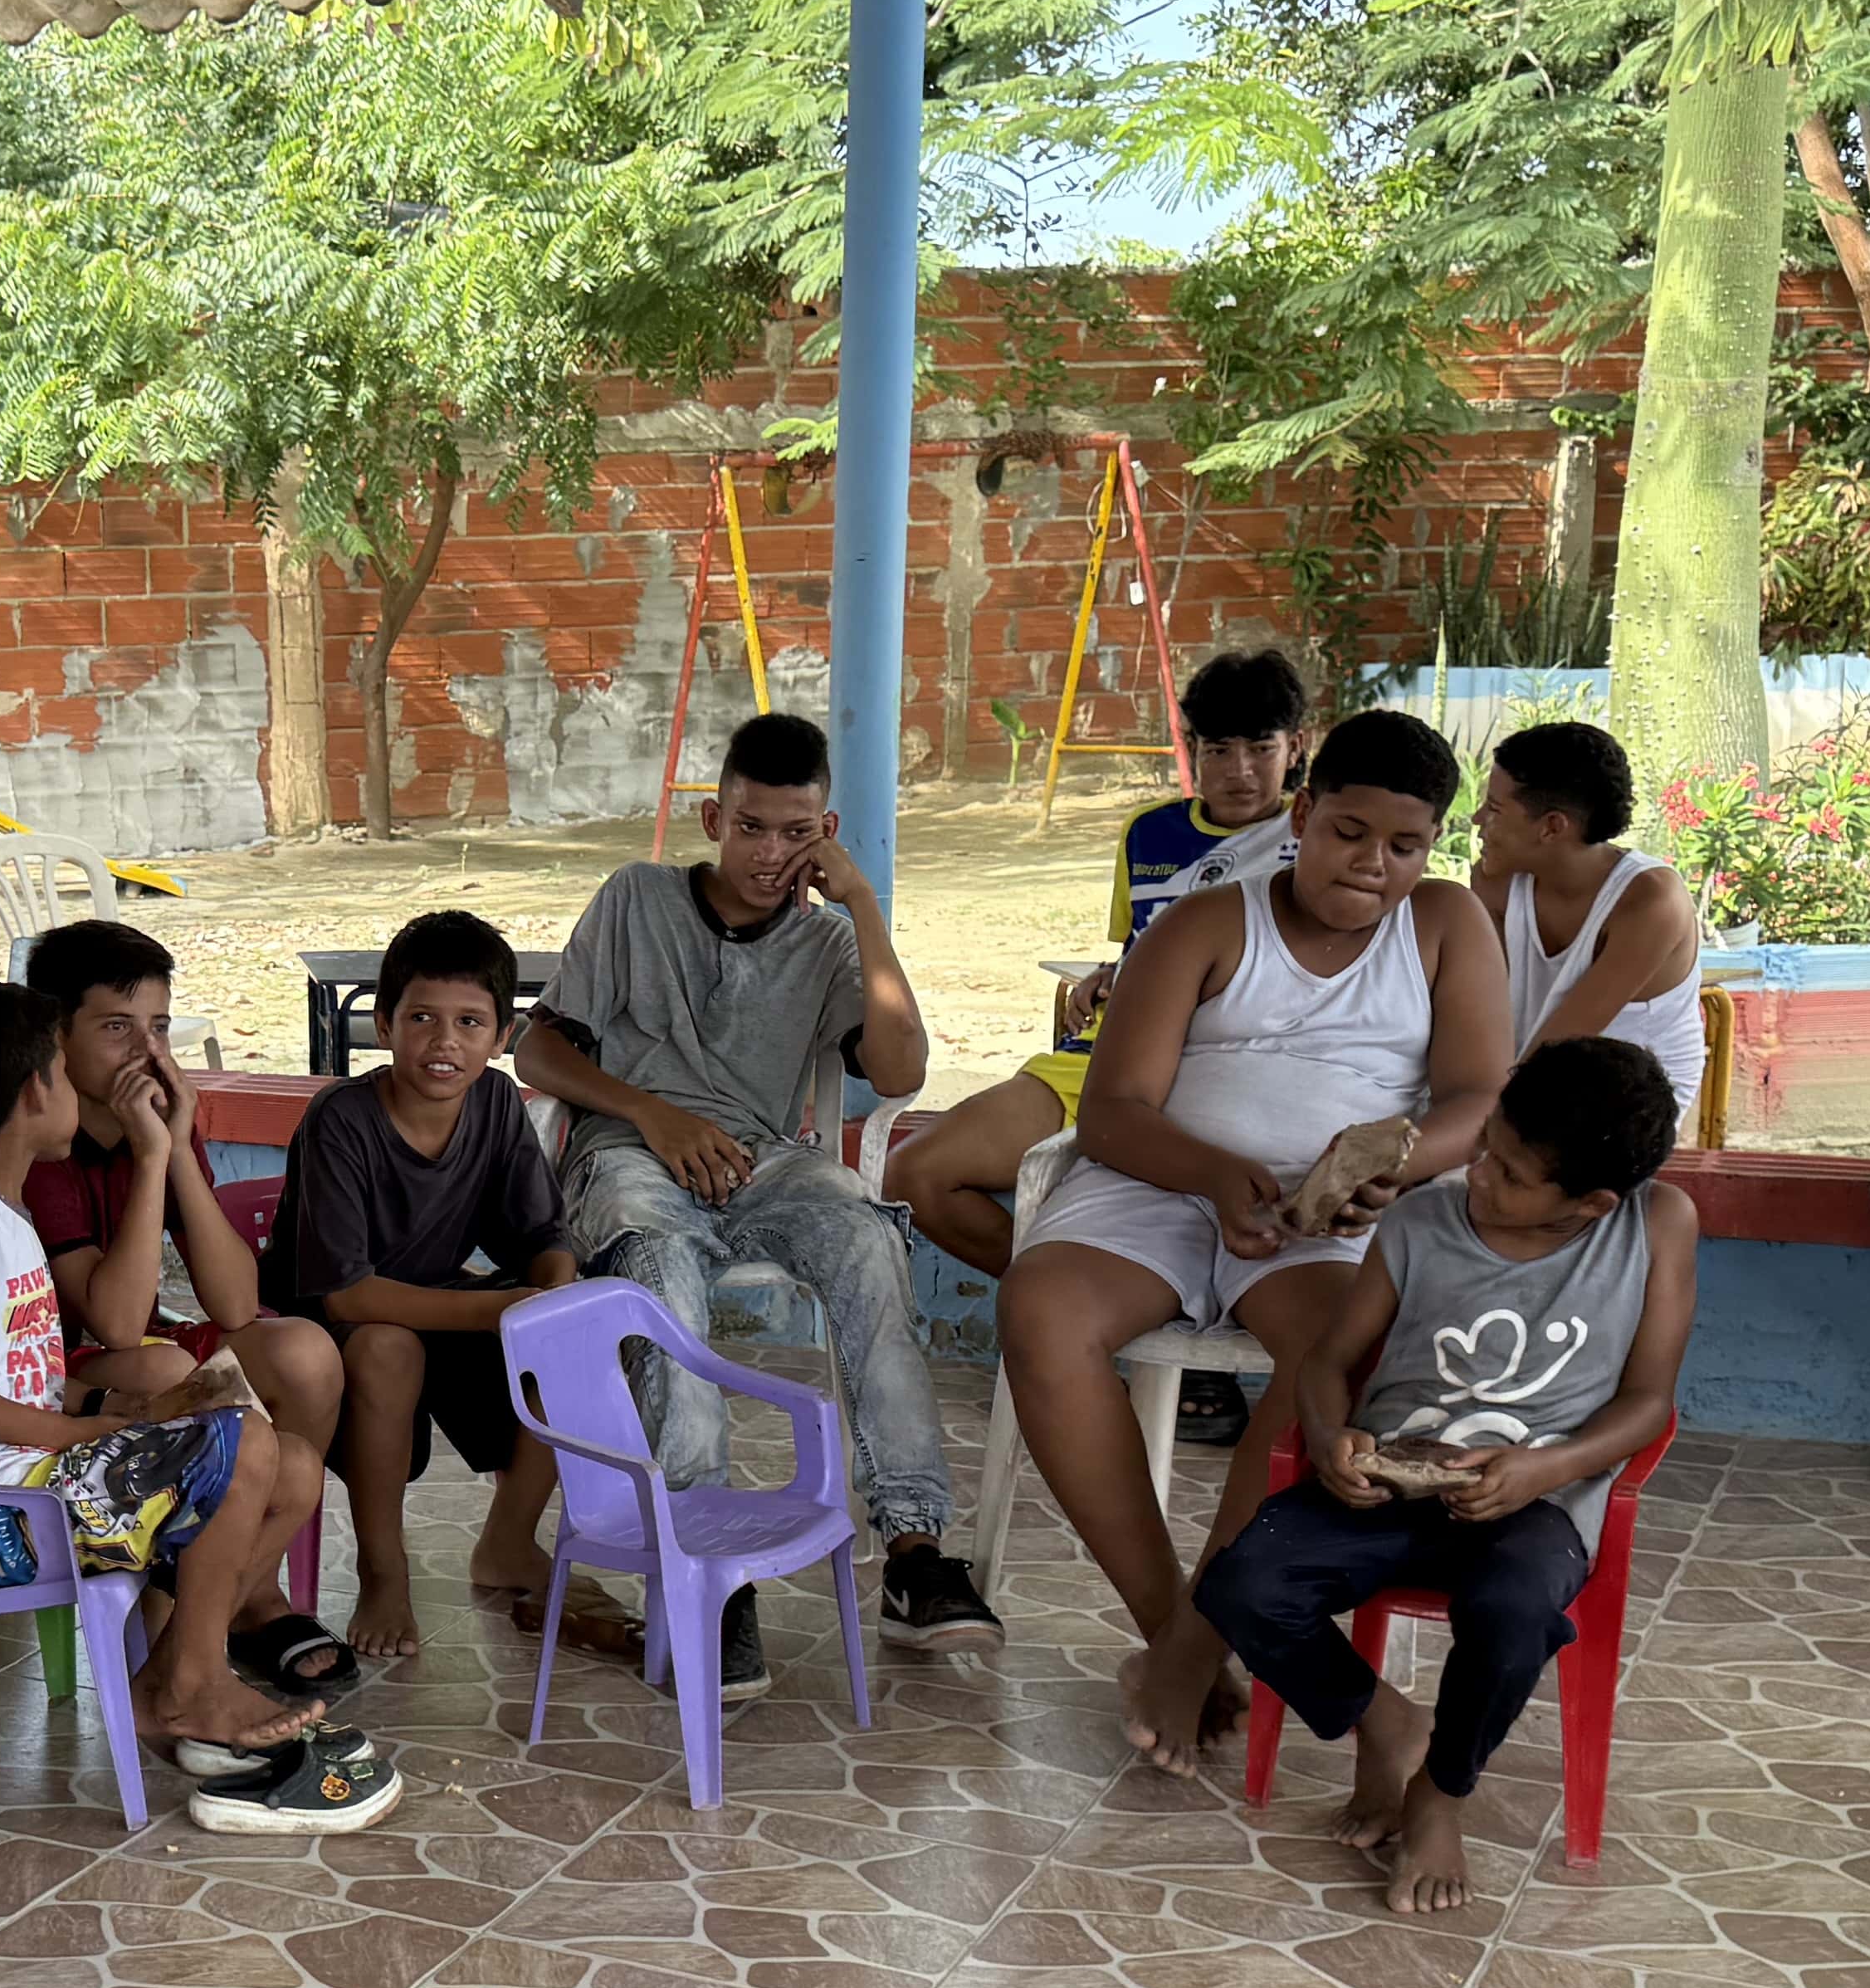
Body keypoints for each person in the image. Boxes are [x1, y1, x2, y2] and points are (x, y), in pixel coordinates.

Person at [999, 707, 1513, 1770]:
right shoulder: (1207, 923)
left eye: (1405, 846)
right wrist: (1210, 1174)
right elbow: (1115, 1111)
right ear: (1304, 813)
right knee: (1041, 1310)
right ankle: (1173, 1629)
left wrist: (1393, 1162)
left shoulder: (1446, 926)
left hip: (1331, 1212)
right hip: (1162, 1184)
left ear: (1433, 847)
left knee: (1341, 1351)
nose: (1372, 865)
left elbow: (1478, 1097)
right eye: (1349, 832)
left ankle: (1194, 1646)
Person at [516, 710, 1003, 1702]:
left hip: (765, 1161)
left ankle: (913, 1552)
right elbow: (538, 1049)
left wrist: (863, 905)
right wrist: (650, 1112)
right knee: (660, 1274)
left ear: (825, 835)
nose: (770, 855)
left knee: (867, 1237)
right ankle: (704, 1568)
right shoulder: (636, 899)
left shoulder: (827, 942)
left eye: (796, 834)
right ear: (713, 819)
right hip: (631, 1154)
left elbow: (900, 1072)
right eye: (750, 828)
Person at [1194, 1038, 1698, 1915]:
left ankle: (1441, 1791)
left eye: (1510, 1174)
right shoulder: (1421, 1221)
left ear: (1592, 1204)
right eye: (1485, 1146)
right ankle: (1386, 1723)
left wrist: (1547, 1468)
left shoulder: (1656, 1226)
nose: (1478, 1174)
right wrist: (1331, 1438)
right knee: (1241, 1584)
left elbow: (1649, 1400)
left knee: (1514, 1610)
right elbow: (1329, 1362)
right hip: (1392, 1479)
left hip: (1533, 1500)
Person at [0, 980, 393, 1833]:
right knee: (243, 1444)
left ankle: (167, 1678)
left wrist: (112, 1406)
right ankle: (195, 1684)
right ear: (34, 1092)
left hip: (40, 1483)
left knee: (294, 1467)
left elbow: (10, 1372)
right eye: (61, 1069)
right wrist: (76, 1430)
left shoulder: (1, 1213)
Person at [898, 643, 1311, 1284]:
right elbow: (1139, 947)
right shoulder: (1149, 833)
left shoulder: (1316, 839)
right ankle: (1062, 1292)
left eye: (1261, 748)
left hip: (1233, 1069)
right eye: (1218, 750)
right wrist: (1109, 974)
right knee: (917, 1174)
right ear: (1191, 748)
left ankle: (1123, 1310)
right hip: (1105, 1058)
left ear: (1296, 746)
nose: (1240, 771)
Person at [260, 909, 605, 1668]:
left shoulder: (496, 1105)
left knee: (569, 1334)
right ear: (383, 1025)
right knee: (389, 1349)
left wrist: (551, 1295)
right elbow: (348, 1297)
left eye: (469, 1023)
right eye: (422, 1018)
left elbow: (541, 1237)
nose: (445, 1041)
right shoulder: (341, 1120)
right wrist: (502, 1310)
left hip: (440, 1302)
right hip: (328, 1330)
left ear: (502, 1037)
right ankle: (384, 1571)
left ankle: (508, 1542)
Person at [22, 915, 354, 1689]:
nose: (147, 1051)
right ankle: (188, 1619)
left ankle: (244, 1593)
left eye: (160, 1027)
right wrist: (151, 1158)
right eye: (117, 1028)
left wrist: (174, 1147)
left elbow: (236, 1303)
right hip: (56, 1373)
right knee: (160, 1365)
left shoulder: (160, 1123)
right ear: (56, 1037)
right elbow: (110, 1323)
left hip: (133, 1350)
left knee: (304, 1351)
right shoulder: (42, 1144)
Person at [1470, 718, 1707, 1120]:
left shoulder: (1650, 901)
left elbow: (1561, 1045)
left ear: (1552, 827)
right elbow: (1483, 1012)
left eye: (1493, 808)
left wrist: (1478, 1123)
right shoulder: (1495, 882)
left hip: (1627, 1098)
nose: (1477, 819)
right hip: (1529, 1067)